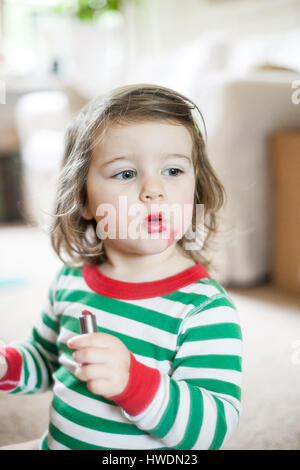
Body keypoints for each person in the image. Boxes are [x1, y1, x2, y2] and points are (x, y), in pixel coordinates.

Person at [0, 84, 242, 450]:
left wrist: (133, 381)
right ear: (82, 198)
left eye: (173, 170)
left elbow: (212, 430)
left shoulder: (204, 310)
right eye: (126, 174)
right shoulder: (70, 280)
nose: (153, 190)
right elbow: (46, 359)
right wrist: (6, 365)